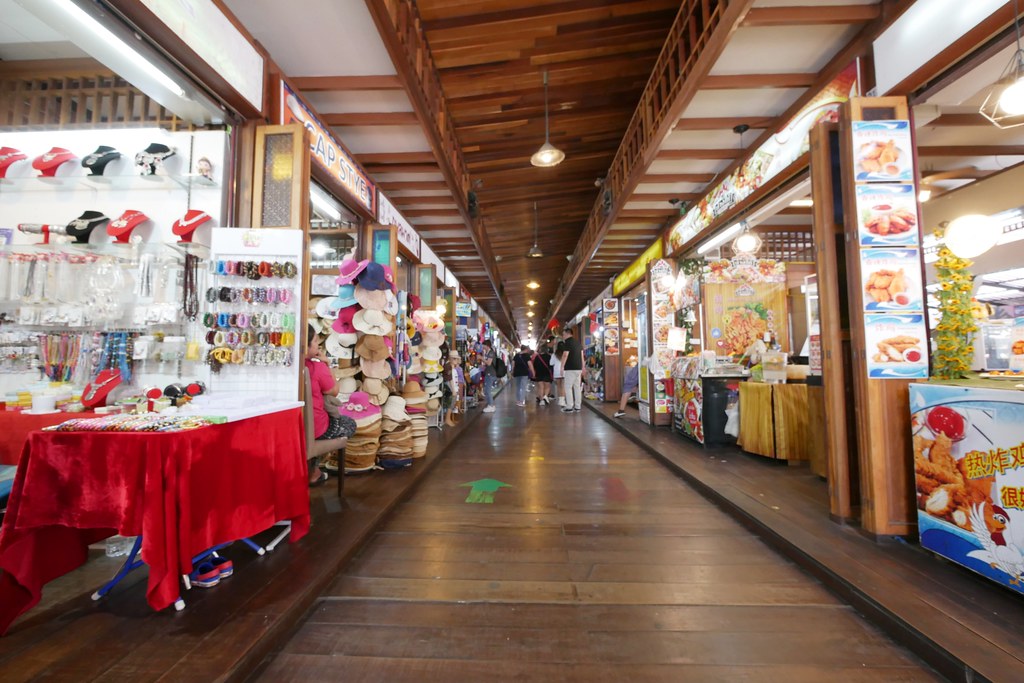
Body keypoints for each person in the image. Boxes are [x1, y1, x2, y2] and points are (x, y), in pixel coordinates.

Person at [305, 325, 356, 486]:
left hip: (294, 426)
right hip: (317, 427)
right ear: (305, 345)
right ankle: (312, 471)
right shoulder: (317, 368)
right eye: (314, 341)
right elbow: (333, 391)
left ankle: (311, 470)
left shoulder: (290, 368)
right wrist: (328, 365)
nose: (317, 345)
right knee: (349, 424)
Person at [560, 326, 584, 413]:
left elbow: (565, 355)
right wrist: (583, 367)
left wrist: (562, 367)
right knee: (577, 387)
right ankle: (578, 406)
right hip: (578, 368)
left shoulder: (567, 343)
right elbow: (582, 355)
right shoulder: (578, 343)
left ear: (567, 334)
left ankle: (569, 406)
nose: (562, 336)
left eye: (563, 334)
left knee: (568, 387)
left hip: (570, 368)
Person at [481, 339, 497, 413]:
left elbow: (489, 363)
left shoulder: (491, 353)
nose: (482, 347)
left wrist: (481, 358)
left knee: (487, 390)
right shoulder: (488, 352)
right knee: (486, 390)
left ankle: (491, 405)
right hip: (489, 373)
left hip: (490, 374)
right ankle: (491, 405)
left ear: (487, 345)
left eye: (483, 345)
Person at [551, 335, 565, 407]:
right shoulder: (566, 353)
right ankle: (563, 400)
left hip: (556, 371)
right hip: (564, 371)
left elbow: (551, 363)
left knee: (559, 386)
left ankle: (560, 400)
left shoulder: (554, 354)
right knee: (563, 386)